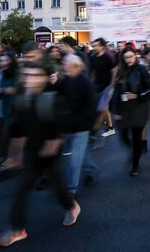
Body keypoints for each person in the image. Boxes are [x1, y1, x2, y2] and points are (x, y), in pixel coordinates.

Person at [0, 62, 80, 248]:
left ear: (44, 78)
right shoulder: (21, 99)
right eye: (27, 75)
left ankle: (71, 206)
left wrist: (53, 144)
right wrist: (14, 155)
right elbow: (16, 128)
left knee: (58, 187)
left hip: (50, 153)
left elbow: (65, 124)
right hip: (31, 153)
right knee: (21, 189)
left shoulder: (53, 98)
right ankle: (18, 229)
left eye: (36, 75)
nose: (31, 79)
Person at [52, 54, 99, 195]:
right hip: (68, 124)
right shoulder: (67, 79)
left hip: (81, 126)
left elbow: (91, 107)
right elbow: (61, 89)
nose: (63, 65)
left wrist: (86, 123)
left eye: (65, 63)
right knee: (80, 155)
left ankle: (70, 190)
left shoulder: (85, 83)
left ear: (75, 66)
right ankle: (93, 170)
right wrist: (54, 82)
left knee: (73, 159)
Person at [112, 46, 150, 176]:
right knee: (123, 135)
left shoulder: (141, 70)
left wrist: (137, 95)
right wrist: (116, 111)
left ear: (135, 56)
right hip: (124, 109)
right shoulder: (121, 71)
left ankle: (135, 164)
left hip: (139, 108)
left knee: (136, 137)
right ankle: (137, 150)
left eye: (131, 56)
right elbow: (117, 92)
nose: (129, 59)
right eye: (126, 57)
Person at [89, 37, 118, 137]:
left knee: (102, 108)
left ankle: (95, 128)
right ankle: (110, 128)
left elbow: (114, 71)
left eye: (96, 46)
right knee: (104, 108)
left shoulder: (108, 56)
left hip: (107, 86)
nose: (94, 47)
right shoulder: (93, 57)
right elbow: (93, 72)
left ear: (102, 46)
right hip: (97, 86)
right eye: (93, 46)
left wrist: (111, 86)